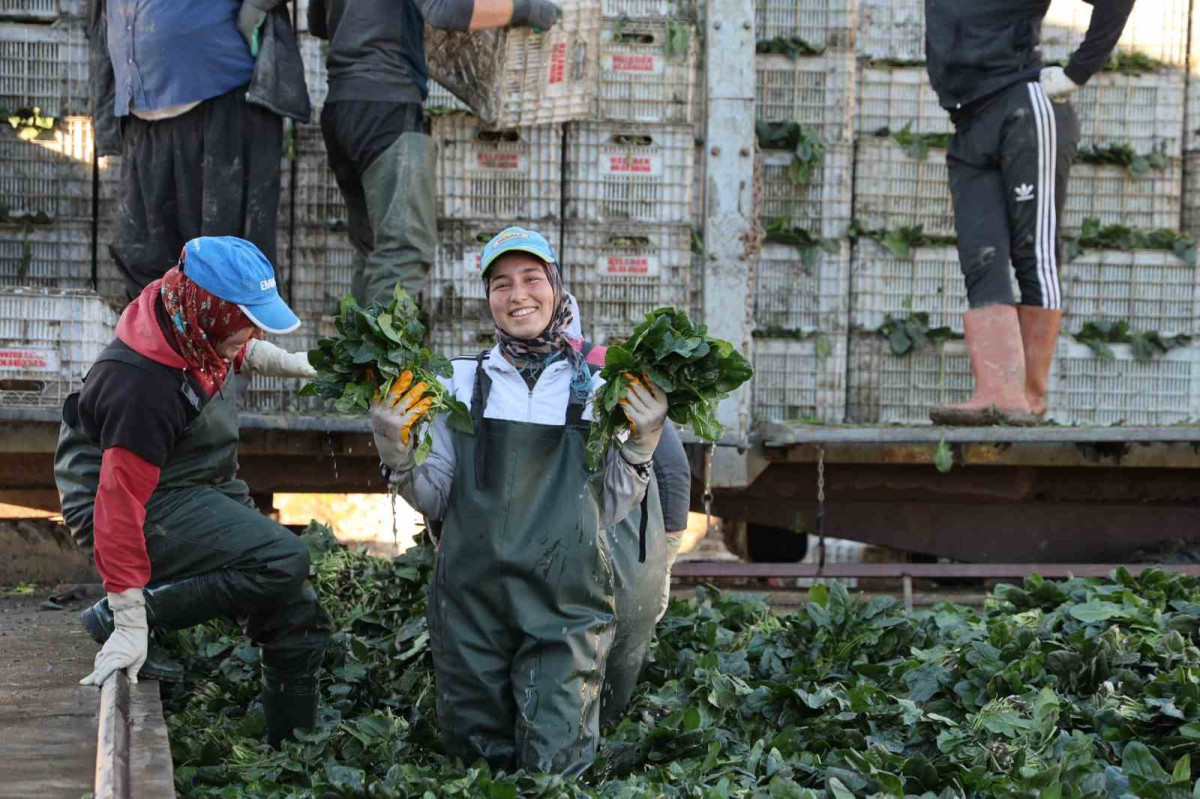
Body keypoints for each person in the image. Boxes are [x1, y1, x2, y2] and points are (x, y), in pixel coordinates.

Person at [370, 227, 668, 776]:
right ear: (488, 299)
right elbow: (436, 498)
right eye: (501, 283)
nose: (517, 295)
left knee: (555, 766)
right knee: (476, 769)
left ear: (557, 287)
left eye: (532, 278)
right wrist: (399, 452)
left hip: (566, 608)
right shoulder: (454, 383)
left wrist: (643, 445)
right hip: (471, 607)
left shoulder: (601, 388)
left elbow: (615, 503)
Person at [53, 237, 331, 749]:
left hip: (189, 477)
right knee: (282, 559)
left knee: (298, 607)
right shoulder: (143, 385)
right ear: (211, 310)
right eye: (243, 320)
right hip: (124, 501)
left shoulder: (189, 313)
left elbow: (240, 346)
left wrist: (304, 365)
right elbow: (118, 507)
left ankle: (291, 758)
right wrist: (131, 614)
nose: (250, 333)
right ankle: (117, 615)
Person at [924, 0, 1134, 425]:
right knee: (980, 259)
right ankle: (997, 392)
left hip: (1023, 104)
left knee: (1032, 251)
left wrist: (1078, 71)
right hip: (967, 121)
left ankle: (1029, 397)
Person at [306, 0, 560, 307]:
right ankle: (381, 354)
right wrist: (524, 10)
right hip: (387, 106)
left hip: (340, 109)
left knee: (374, 249)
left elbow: (319, 23)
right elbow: (444, 10)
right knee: (403, 251)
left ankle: (354, 352)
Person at [88, 0, 311, 301]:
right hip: (143, 113)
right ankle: (163, 347)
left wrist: (256, 6)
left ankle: (233, 347)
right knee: (145, 264)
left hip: (220, 100)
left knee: (224, 267)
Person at [562, 297, 692, 727]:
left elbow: (671, 466)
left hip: (621, 539)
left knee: (608, 649)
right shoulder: (500, 380)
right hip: (579, 546)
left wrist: (667, 549)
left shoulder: (609, 373)